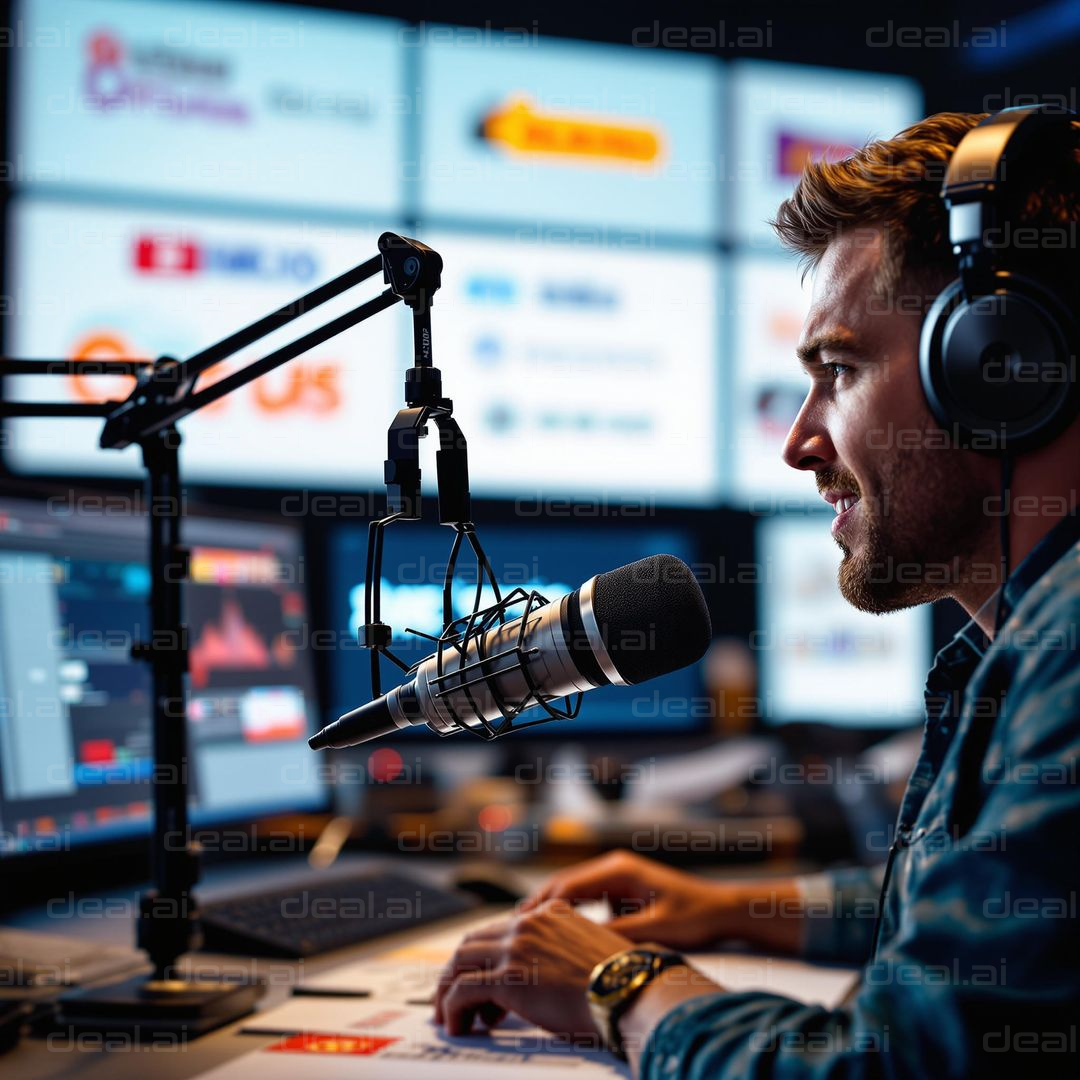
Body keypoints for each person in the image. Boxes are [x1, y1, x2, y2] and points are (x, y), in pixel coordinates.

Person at [434, 111, 1080, 1077]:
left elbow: (896, 1069)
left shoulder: (1066, 644)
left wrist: (625, 986)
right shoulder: (1031, 636)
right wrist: (734, 908)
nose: (799, 441)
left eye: (840, 370)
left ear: (994, 367)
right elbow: (1003, 912)